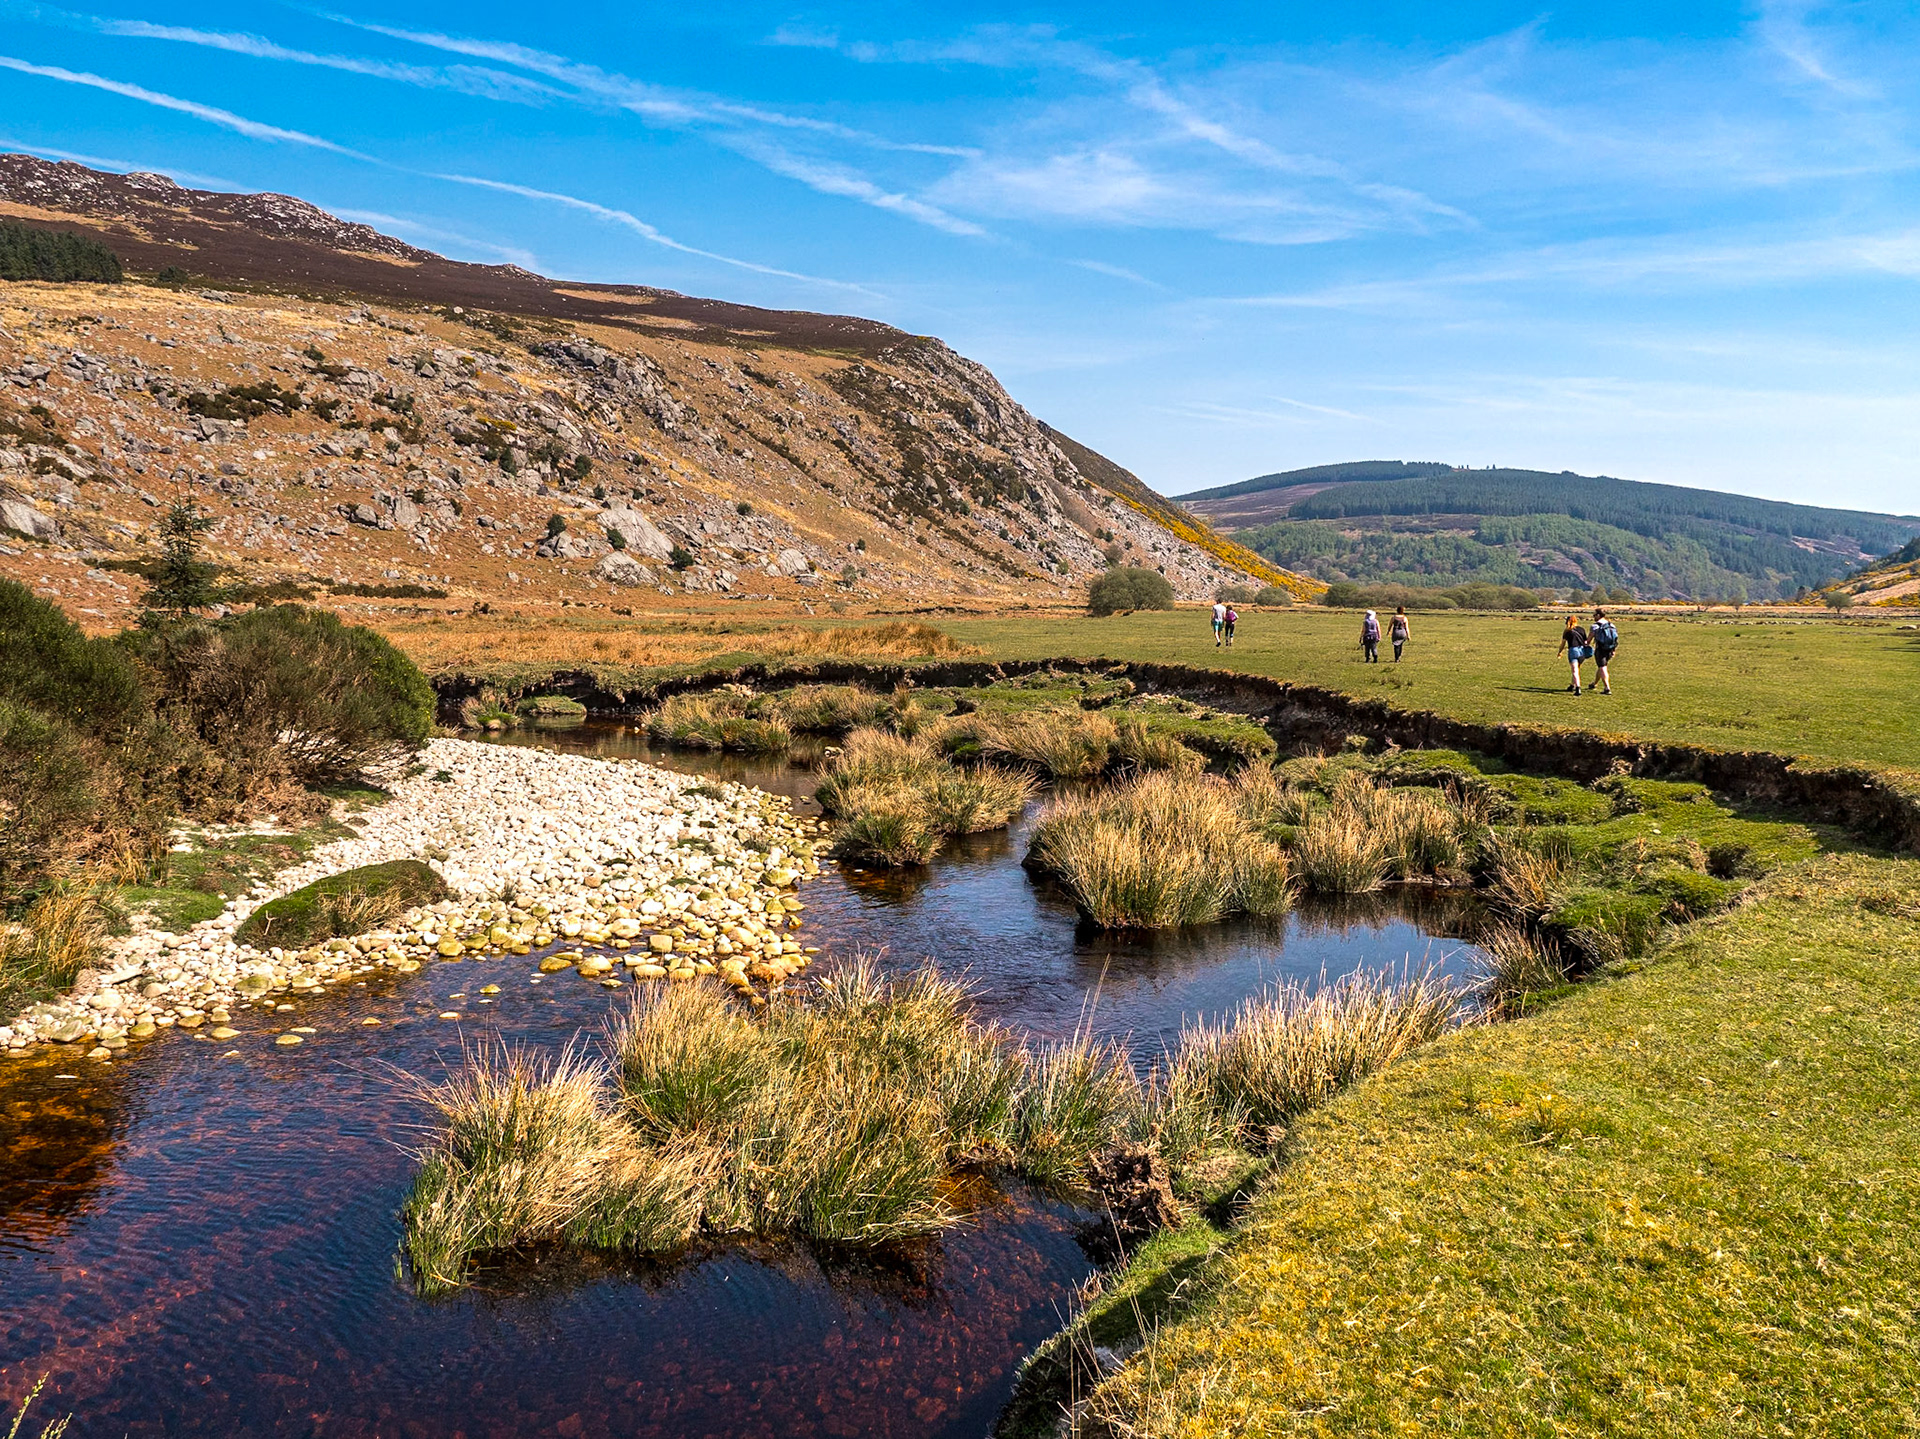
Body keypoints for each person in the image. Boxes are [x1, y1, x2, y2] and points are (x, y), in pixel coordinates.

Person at [1556, 614, 1592, 694]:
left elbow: (1563, 643)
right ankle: (1572, 685)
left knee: (1574, 670)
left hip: (1573, 651)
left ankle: (1578, 687)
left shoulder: (1567, 631)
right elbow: (1585, 641)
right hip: (1582, 651)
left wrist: (1560, 652)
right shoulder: (1581, 629)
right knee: (1577, 669)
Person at [1590, 607, 1618, 695]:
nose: (1593, 617)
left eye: (1594, 615)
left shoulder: (1595, 626)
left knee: (1603, 667)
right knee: (1602, 666)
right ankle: (1594, 683)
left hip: (1600, 649)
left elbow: (1588, 639)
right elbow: (1615, 639)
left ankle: (1607, 688)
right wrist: (1613, 650)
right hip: (1610, 649)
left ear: (1598, 615)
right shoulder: (1611, 625)